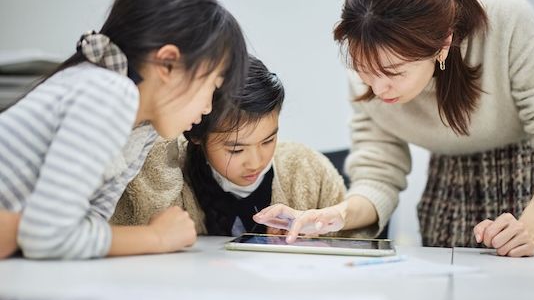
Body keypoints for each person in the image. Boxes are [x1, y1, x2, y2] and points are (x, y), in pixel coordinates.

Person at [254, 0, 534, 257]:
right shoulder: (369, 77)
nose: (377, 87)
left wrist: (531, 226)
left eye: (393, 72)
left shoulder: (506, 21)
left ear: (443, 44)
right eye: (364, 70)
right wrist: (334, 216)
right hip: (449, 192)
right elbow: (378, 175)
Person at [0, 0, 248, 260]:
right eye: (212, 87)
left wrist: (24, 230)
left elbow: (83, 225)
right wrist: (156, 237)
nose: (208, 107)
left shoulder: (143, 130)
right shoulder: (110, 92)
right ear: (167, 63)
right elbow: (50, 237)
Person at [111, 55, 377, 238]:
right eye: (236, 150)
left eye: (269, 140)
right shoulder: (165, 171)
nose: (256, 161)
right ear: (196, 134)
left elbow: (355, 242)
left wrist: (316, 237)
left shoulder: (307, 169)